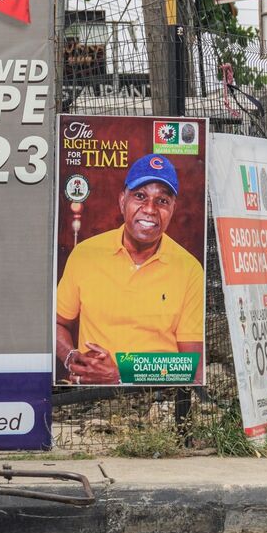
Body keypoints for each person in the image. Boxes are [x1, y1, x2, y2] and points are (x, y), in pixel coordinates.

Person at [55, 154, 205, 385]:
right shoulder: (85, 254)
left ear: (173, 208)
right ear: (122, 200)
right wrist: (72, 358)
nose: (150, 209)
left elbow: (192, 368)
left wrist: (120, 374)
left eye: (162, 201)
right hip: (89, 397)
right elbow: (55, 323)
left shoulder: (190, 270)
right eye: (140, 196)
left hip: (159, 398)